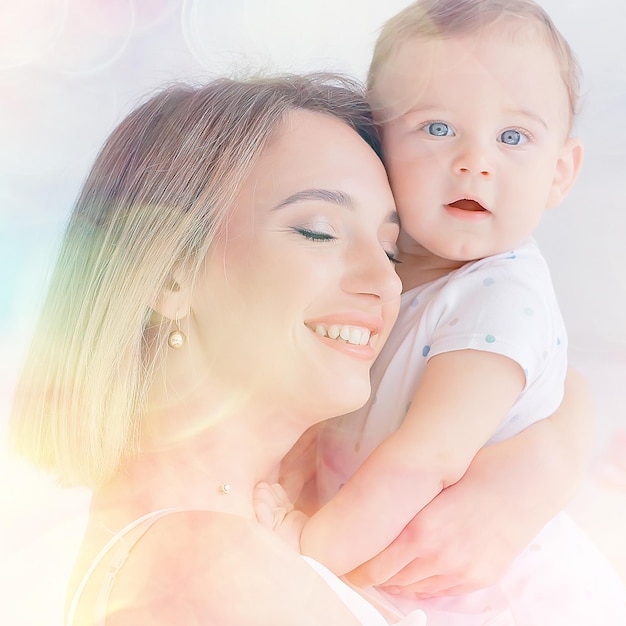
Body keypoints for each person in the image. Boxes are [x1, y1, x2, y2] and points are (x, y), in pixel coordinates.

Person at [9, 73, 429, 625]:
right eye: (320, 231)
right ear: (173, 273)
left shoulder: (267, 536)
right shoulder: (208, 565)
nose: (385, 281)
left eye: (392, 250)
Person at [256, 1, 626, 623]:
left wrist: (305, 545)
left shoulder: (500, 301)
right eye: (436, 127)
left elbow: (425, 458)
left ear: (559, 173)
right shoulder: (387, 279)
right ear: (377, 146)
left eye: (513, 137)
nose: (475, 161)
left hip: (507, 602)